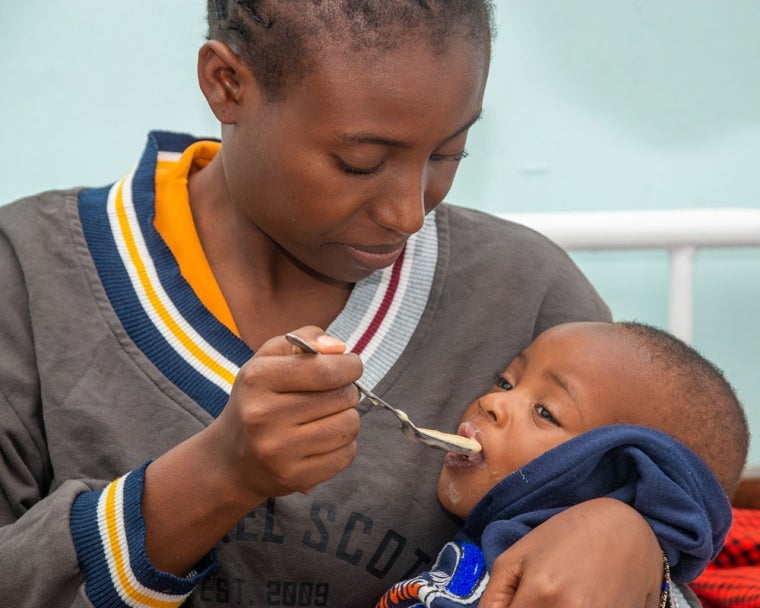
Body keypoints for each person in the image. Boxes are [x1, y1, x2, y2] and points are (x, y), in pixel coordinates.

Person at [0, 1, 702, 606]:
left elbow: (668, 496)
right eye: (360, 163)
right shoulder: (30, 274)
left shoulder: (529, 298)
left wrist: (629, 531)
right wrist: (217, 476)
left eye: (448, 154)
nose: (407, 213)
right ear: (227, 84)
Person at [377, 320, 749, 608]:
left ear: (623, 477)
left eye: (545, 412)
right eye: (506, 383)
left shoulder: (565, 590)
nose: (492, 402)